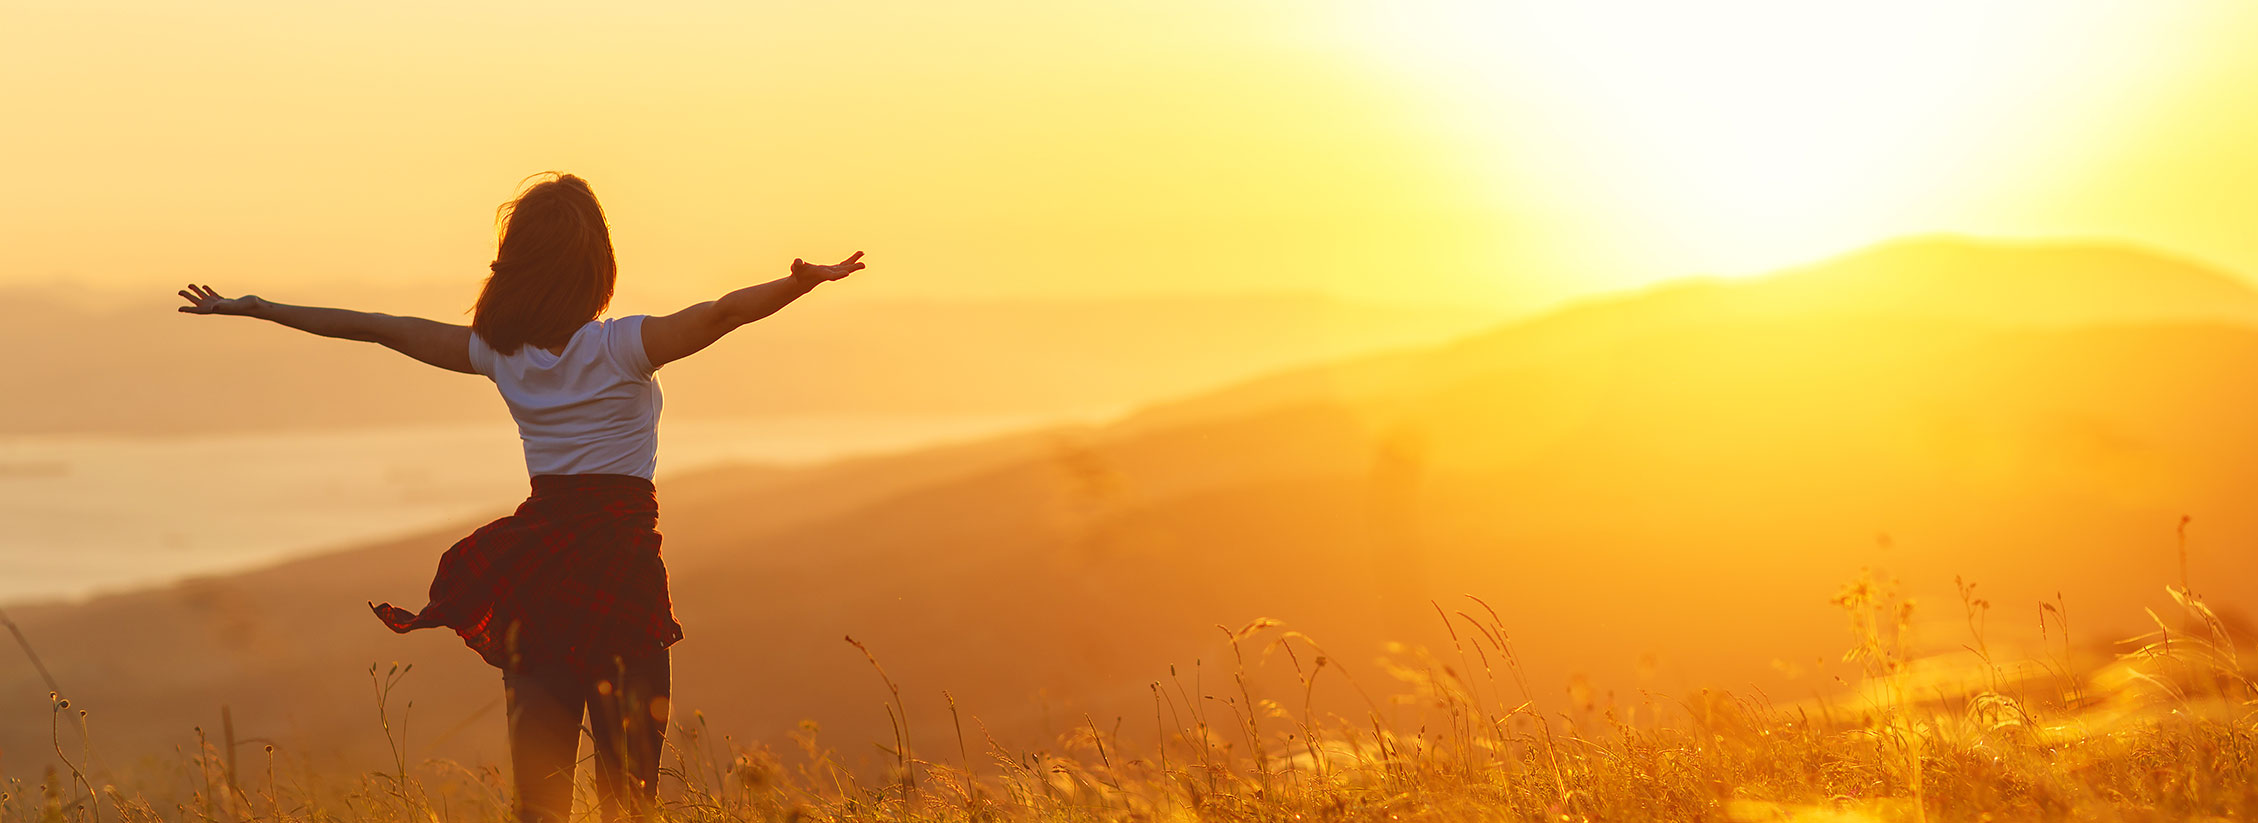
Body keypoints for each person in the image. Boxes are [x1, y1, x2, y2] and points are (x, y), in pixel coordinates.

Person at [174, 172, 867, 822]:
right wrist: (798, 285)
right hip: (621, 586)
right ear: (596, 266)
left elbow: (379, 325)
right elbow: (719, 315)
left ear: (518, 267)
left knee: (538, 808)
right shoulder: (623, 347)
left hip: (538, 583)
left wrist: (260, 308)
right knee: (630, 803)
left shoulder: (502, 356)